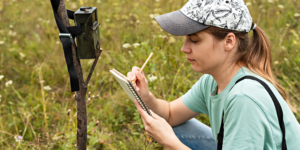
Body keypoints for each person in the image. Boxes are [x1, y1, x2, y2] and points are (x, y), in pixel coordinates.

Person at [127, 0, 300, 149]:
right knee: (172, 126)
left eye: (194, 40)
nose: (184, 48)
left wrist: (170, 143)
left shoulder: (244, 97)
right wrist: (146, 96)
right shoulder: (212, 82)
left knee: (170, 133)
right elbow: (171, 114)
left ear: (229, 42)